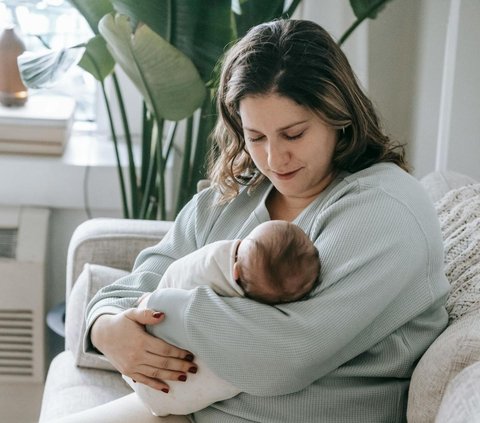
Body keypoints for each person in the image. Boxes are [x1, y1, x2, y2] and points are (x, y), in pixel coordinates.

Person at [59, 19, 449, 423]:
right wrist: (106, 328)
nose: (274, 159)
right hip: (188, 409)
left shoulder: (384, 209)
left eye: (294, 134)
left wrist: (164, 306)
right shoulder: (229, 199)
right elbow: (136, 284)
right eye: (256, 137)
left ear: (339, 115)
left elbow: (284, 356)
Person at [124, 219, 321, 417]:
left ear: (235, 270)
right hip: (165, 387)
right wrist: (105, 323)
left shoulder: (215, 262)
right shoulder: (210, 209)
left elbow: (176, 275)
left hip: (169, 391)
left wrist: (152, 301)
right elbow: (146, 277)